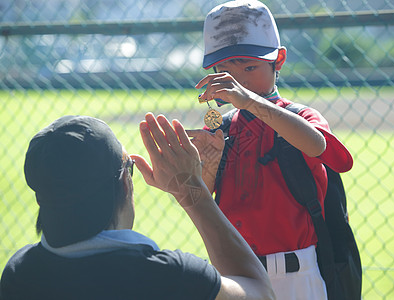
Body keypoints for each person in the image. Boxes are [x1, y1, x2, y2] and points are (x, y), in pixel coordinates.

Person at [0, 114, 275, 300]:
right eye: (128, 167)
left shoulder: (18, 273)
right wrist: (191, 190)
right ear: (123, 183)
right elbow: (260, 293)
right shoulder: (168, 276)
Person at [187, 1, 354, 299]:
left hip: (297, 273)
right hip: (236, 272)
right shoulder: (222, 129)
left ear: (279, 60)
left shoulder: (300, 117)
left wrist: (250, 101)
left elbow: (318, 145)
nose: (240, 80)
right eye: (224, 70)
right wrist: (207, 167)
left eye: (250, 67)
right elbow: (204, 199)